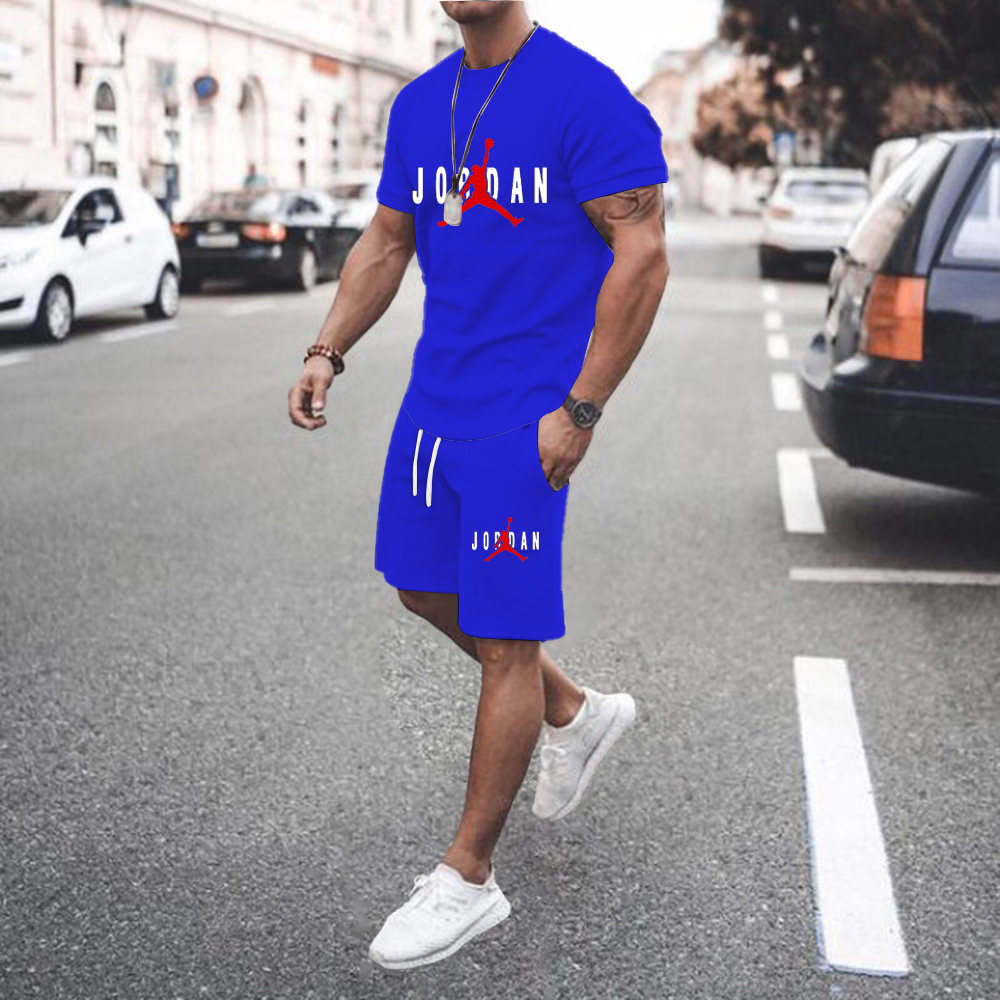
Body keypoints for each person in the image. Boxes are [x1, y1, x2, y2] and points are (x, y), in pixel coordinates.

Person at [288, 0, 669, 970]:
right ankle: (573, 711)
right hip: (434, 403)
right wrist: (328, 348)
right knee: (421, 587)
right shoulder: (421, 104)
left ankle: (468, 877)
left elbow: (642, 254)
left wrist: (581, 408)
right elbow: (387, 240)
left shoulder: (585, 96)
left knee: (505, 638)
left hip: (527, 414)